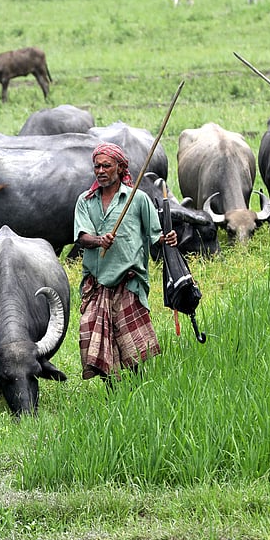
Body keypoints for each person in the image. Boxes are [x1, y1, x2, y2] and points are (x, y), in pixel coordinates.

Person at [74, 142, 177, 384]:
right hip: (97, 285)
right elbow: (82, 237)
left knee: (134, 351)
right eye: (97, 166)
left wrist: (167, 238)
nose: (100, 171)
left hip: (128, 283)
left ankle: (137, 391)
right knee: (99, 346)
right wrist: (99, 240)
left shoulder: (137, 199)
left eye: (106, 166)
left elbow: (156, 236)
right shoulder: (85, 201)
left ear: (120, 168)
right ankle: (113, 394)